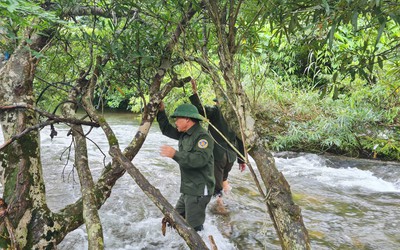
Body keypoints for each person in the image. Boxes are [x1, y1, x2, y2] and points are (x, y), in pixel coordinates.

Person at [189, 79, 246, 214]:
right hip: (231, 156)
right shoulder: (235, 116)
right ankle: (228, 196)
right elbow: (240, 138)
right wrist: (241, 159)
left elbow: (201, 110)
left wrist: (194, 92)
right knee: (223, 178)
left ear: (219, 103)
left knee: (216, 184)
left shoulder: (215, 112)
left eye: (217, 102)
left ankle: (220, 206)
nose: (216, 103)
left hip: (218, 155)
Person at [157, 101, 215, 231]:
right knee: (174, 218)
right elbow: (166, 129)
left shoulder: (202, 137)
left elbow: (200, 160)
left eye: (178, 119)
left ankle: (200, 244)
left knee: (194, 229)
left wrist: (175, 154)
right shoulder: (184, 134)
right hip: (188, 188)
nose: (176, 122)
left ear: (187, 120)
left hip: (199, 190)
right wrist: (161, 111)